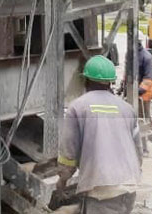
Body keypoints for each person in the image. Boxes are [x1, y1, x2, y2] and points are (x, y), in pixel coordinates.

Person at [57, 55, 142, 214]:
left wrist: (63, 179)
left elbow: (68, 152)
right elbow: (138, 150)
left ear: (85, 80)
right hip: (129, 185)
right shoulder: (126, 108)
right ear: (111, 82)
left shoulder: (77, 107)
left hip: (102, 188)